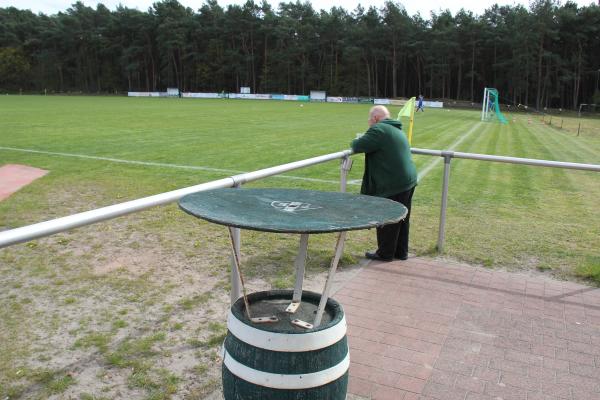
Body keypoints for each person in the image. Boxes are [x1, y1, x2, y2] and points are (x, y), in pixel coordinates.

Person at [351, 105, 418, 262]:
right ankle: (401, 252)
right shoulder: (396, 129)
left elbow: (357, 146)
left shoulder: (379, 129)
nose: (369, 122)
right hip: (408, 180)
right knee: (402, 218)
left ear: (375, 118)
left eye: (369, 119)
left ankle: (385, 253)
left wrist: (356, 139)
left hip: (394, 182)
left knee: (387, 216)